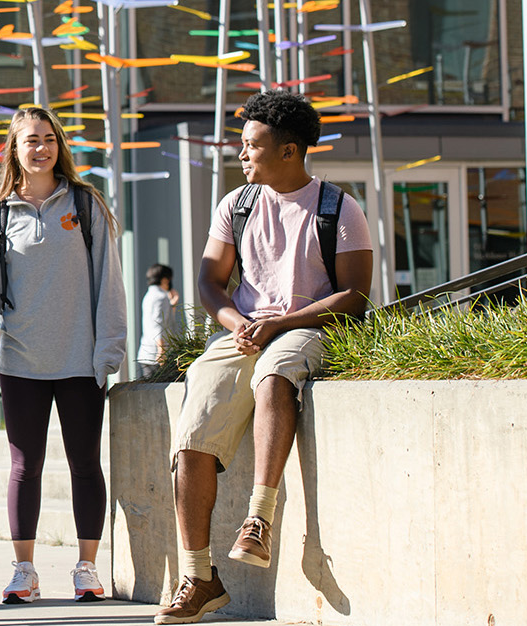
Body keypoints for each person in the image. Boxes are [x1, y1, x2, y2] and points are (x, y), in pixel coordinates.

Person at [153, 91, 374, 624]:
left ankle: (259, 520)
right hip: (245, 330)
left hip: (309, 327)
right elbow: (209, 281)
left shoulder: (339, 208)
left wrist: (282, 323)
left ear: (291, 151)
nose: (242, 155)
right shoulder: (238, 205)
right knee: (192, 432)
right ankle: (199, 575)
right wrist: (238, 324)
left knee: (276, 377)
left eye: (253, 146)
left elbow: (354, 296)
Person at [0, 107, 127, 605]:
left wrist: (109, 349)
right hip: (21, 363)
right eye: (30, 141)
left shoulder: (85, 204)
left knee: (86, 463)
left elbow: (109, 282)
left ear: (59, 146)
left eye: (48, 139)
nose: (40, 149)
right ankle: (24, 571)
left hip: (81, 361)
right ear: (13, 151)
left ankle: (86, 567)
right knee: (24, 466)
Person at [137, 264, 183, 379]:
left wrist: (172, 305)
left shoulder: (149, 296)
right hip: (156, 355)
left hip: (146, 352)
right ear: (164, 279)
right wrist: (161, 351)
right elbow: (158, 325)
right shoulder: (161, 297)